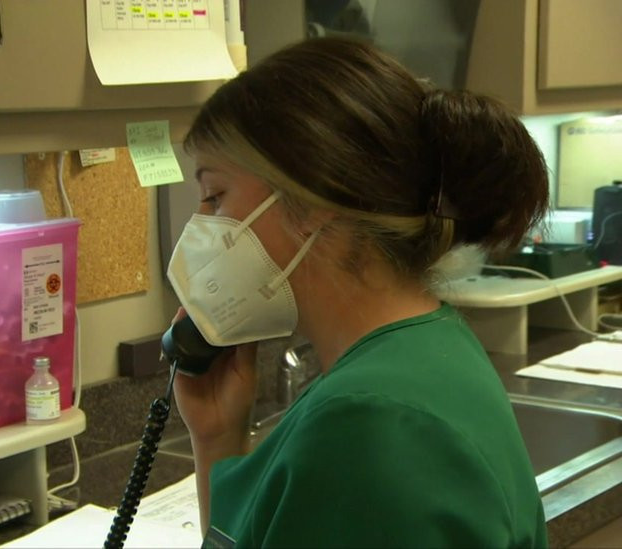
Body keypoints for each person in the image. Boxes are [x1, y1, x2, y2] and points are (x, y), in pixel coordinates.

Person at [167, 37, 549, 547]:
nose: (205, 225)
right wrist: (216, 437)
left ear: (320, 194)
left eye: (216, 195)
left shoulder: (367, 420)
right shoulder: (427, 346)